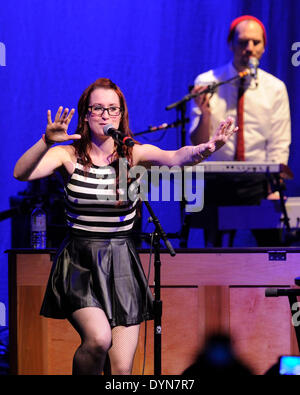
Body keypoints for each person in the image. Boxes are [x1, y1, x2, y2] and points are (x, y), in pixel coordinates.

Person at [13, 78, 237, 375]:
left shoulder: (133, 154)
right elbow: (21, 172)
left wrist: (207, 148)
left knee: (121, 370)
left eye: (112, 109)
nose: (105, 115)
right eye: (97, 108)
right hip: (79, 263)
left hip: (121, 261)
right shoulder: (66, 154)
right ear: (85, 114)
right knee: (98, 339)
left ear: (121, 115)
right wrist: (48, 140)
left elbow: (175, 158)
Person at [188, 15, 291, 247]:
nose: (249, 49)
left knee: (272, 250)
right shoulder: (208, 82)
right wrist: (204, 114)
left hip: (257, 183)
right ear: (231, 44)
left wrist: (275, 188)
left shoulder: (275, 88)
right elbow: (197, 143)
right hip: (216, 181)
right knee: (214, 252)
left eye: (256, 43)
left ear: (264, 47)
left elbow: (279, 141)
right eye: (243, 42)